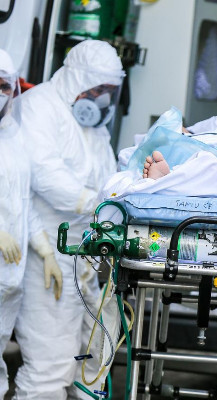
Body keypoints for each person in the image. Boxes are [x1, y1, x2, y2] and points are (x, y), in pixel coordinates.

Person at [12, 40, 124, 400]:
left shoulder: (94, 127)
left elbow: (106, 178)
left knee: (94, 357)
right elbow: (44, 173)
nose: (102, 99)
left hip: (84, 255)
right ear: (78, 79)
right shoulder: (39, 106)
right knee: (51, 364)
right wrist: (94, 203)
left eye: (110, 91)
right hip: (45, 253)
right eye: (98, 88)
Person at [0, 49, 62, 399]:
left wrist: (45, 252)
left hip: (9, 280)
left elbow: (25, 206)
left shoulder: (14, 139)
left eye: (4, 86)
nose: (0, 93)